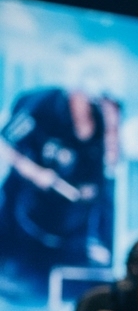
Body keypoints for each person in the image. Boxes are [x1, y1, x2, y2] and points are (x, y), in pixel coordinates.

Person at [0, 86, 119, 299]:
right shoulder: (42, 104)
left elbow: (105, 164)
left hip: (65, 213)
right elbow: (5, 142)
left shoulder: (101, 119)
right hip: (25, 194)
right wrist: (34, 172)